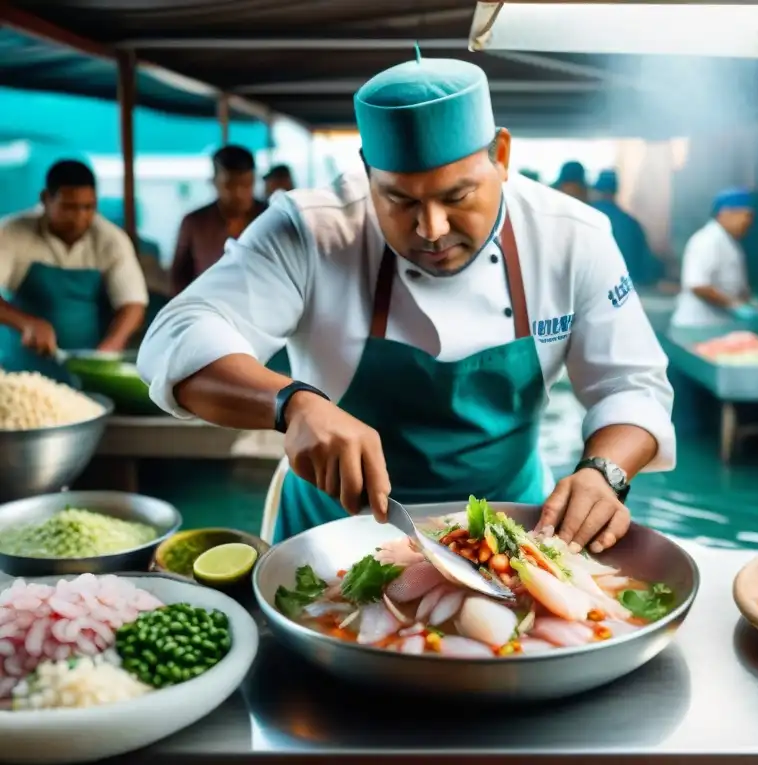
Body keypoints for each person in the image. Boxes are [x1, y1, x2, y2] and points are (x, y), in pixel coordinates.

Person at [138, 56, 675, 551]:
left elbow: (630, 383)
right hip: (331, 536)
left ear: (503, 157)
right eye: (399, 200)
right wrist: (292, 403)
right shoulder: (311, 229)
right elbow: (177, 336)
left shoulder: (571, 236)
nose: (432, 229)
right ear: (368, 173)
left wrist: (604, 472)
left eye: (457, 196)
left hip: (507, 536)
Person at [0, 160, 148, 379]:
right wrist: (27, 323)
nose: (80, 217)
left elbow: (133, 304)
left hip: (84, 372)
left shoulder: (111, 240)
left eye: (88, 207)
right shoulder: (12, 233)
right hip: (20, 371)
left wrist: (108, 349)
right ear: (45, 199)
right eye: (68, 207)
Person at [170, 145, 267, 296]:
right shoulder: (195, 223)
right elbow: (178, 280)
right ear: (214, 182)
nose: (239, 193)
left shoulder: (269, 217)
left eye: (247, 184)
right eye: (230, 185)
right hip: (208, 310)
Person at [670, 188, 755, 327]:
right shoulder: (708, 240)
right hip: (698, 325)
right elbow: (698, 285)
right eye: (746, 215)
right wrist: (735, 306)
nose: (748, 222)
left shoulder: (729, 241)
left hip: (716, 324)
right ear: (726, 213)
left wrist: (746, 301)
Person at [590, 169, 660, 286]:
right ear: (616, 191)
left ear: (597, 190)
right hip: (624, 291)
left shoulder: (587, 217)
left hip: (592, 289)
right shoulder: (631, 223)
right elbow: (646, 267)